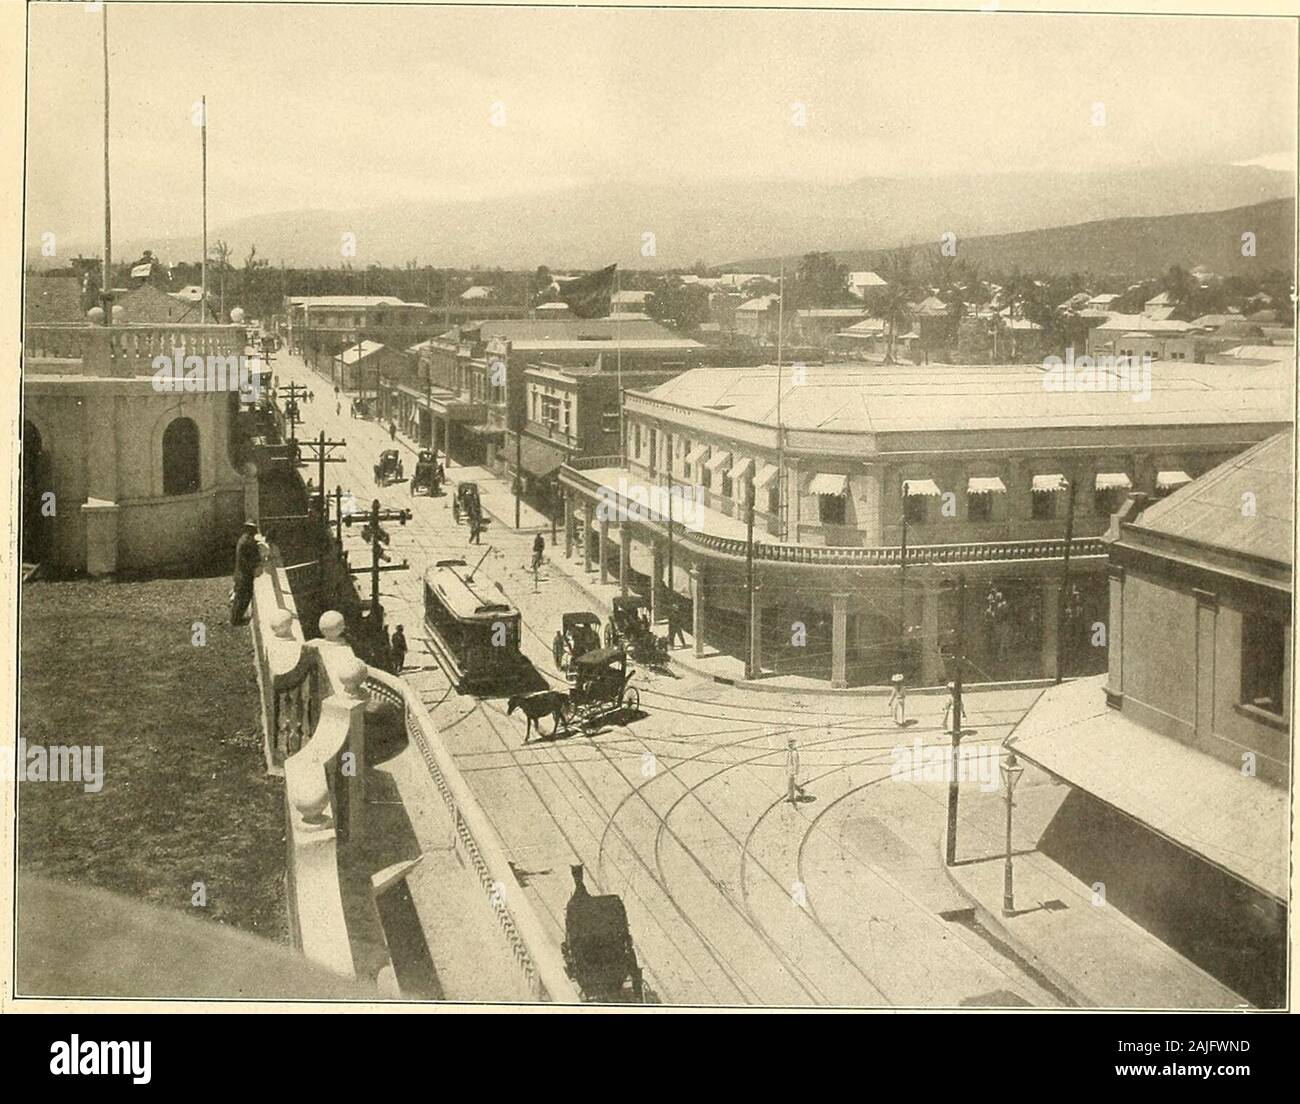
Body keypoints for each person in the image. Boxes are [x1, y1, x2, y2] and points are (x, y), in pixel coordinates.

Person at [230, 521, 262, 625]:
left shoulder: (244, 538)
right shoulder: (247, 541)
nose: (255, 531)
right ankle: (236, 620)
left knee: (240, 597)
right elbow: (253, 556)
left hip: (240, 573)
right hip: (244, 575)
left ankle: (235, 618)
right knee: (243, 597)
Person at [785, 737, 806, 804]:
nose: (789, 744)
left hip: (792, 770)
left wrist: (795, 771)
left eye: (791, 743)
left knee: (790, 784)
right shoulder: (789, 751)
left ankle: (790, 797)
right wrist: (786, 769)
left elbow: (796, 763)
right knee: (791, 783)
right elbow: (787, 761)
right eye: (789, 743)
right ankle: (800, 790)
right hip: (789, 769)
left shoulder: (794, 753)